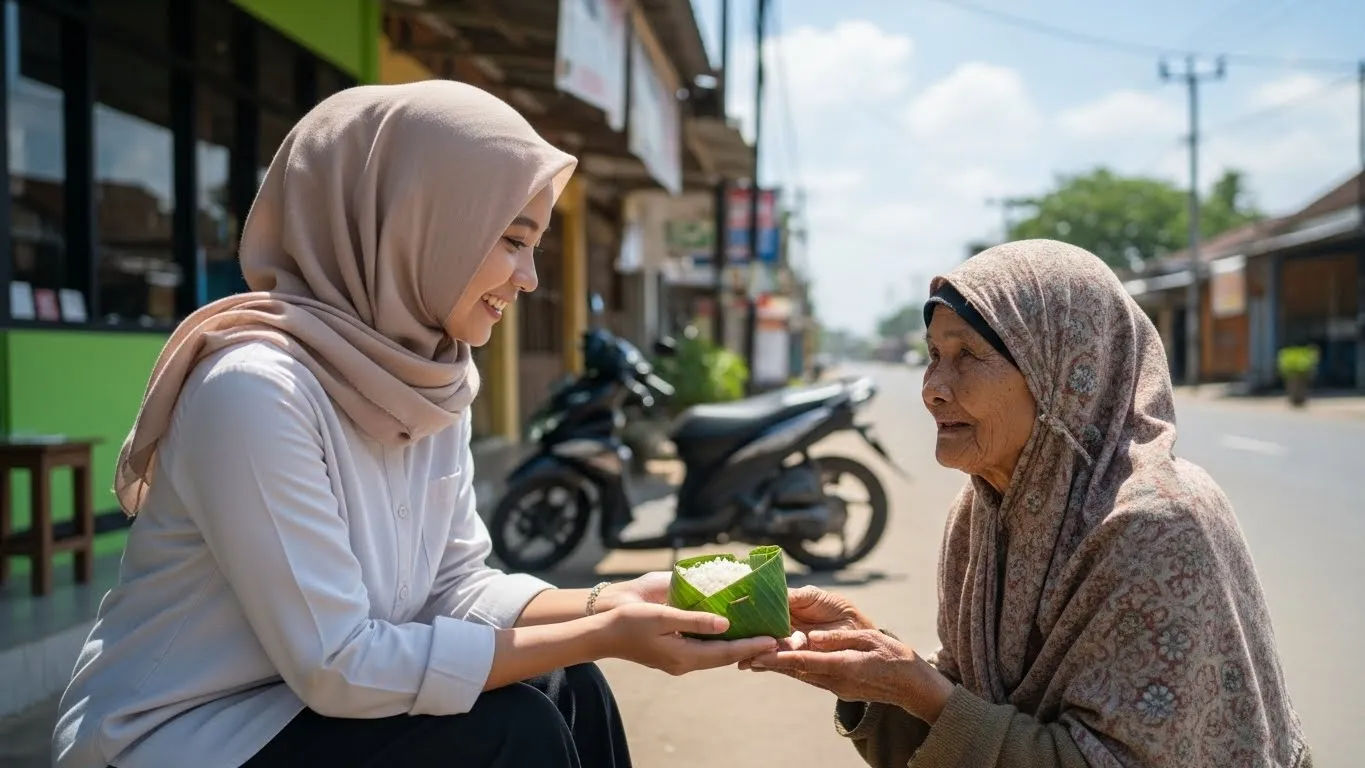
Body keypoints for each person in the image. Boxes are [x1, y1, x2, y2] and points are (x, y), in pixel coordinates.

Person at [52, 82, 776, 768]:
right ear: (416, 224)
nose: (527, 278)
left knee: (570, 683)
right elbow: (337, 665)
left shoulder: (426, 376)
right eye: (511, 240)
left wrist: (610, 603)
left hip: (306, 708)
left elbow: (453, 586)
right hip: (180, 735)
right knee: (510, 732)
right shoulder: (253, 392)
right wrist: (606, 633)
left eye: (535, 247)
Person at [747, 240, 1310, 767]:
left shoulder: (1154, 526)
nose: (933, 387)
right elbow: (966, 717)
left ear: (1064, 377)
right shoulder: (978, 516)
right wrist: (871, 662)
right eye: (933, 354)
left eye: (968, 354)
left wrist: (919, 691)